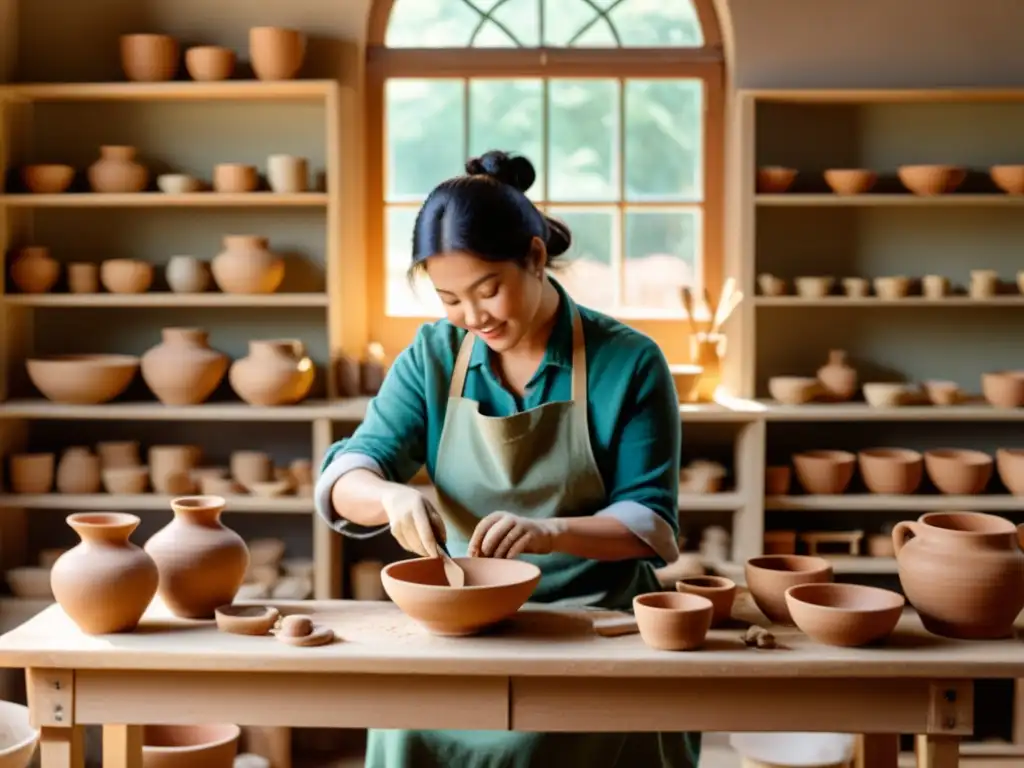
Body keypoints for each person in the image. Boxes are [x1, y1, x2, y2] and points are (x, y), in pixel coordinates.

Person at [314, 149, 699, 768]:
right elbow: (348, 471)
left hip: (594, 620)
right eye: (449, 299)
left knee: (544, 740)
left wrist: (551, 531)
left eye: (487, 291)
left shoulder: (629, 361)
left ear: (536, 257)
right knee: (402, 728)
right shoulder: (434, 356)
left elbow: (651, 522)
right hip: (464, 616)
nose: (473, 318)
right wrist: (386, 495)